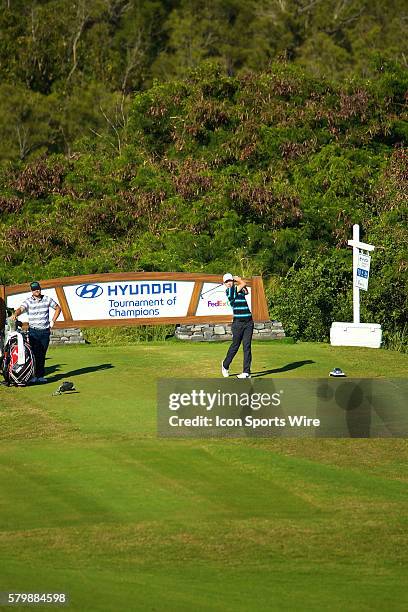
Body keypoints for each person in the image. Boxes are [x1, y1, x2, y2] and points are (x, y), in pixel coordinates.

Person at [11, 281, 61, 383]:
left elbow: (57, 308)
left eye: (37, 289)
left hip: (45, 331)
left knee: (42, 354)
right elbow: (21, 309)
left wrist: (53, 321)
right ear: (31, 291)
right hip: (33, 331)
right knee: (33, 354)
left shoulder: (47, 299)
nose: (36, 291)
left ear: (40, 289)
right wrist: (15, 314)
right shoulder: (29, 301)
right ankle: (33, 376)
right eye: (34, 289)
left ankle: (40, 376)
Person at [221, 273, 254, 379]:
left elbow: (246, 291)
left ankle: (246, 372)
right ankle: (225, 365)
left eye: (230, 280)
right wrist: (239, 279)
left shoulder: (238, 289)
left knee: (247, 346)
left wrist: (239, 282)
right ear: (224, 284)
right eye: (227, 282)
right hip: (238, 323)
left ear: (232, 281)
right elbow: (243, 283)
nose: (229, 283)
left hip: (248, 322)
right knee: (235, 346)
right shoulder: (229, 291)